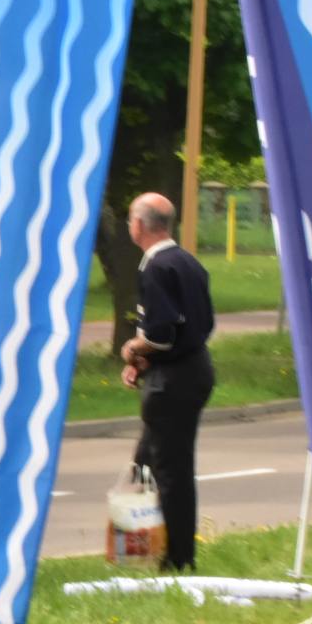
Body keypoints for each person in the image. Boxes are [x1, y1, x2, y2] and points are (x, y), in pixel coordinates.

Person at [120, 193, 214, 572]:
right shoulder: (188, 262)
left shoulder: (156, 267)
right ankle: (142, 542)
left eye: (130, 220)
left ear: (139, 225)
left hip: (173, 382)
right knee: (146, 461)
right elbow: (195, 325)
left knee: (170, 471)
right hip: (193, 368)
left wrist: (133, 348)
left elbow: (160, 334)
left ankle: (177, 559)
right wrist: (145, 362)